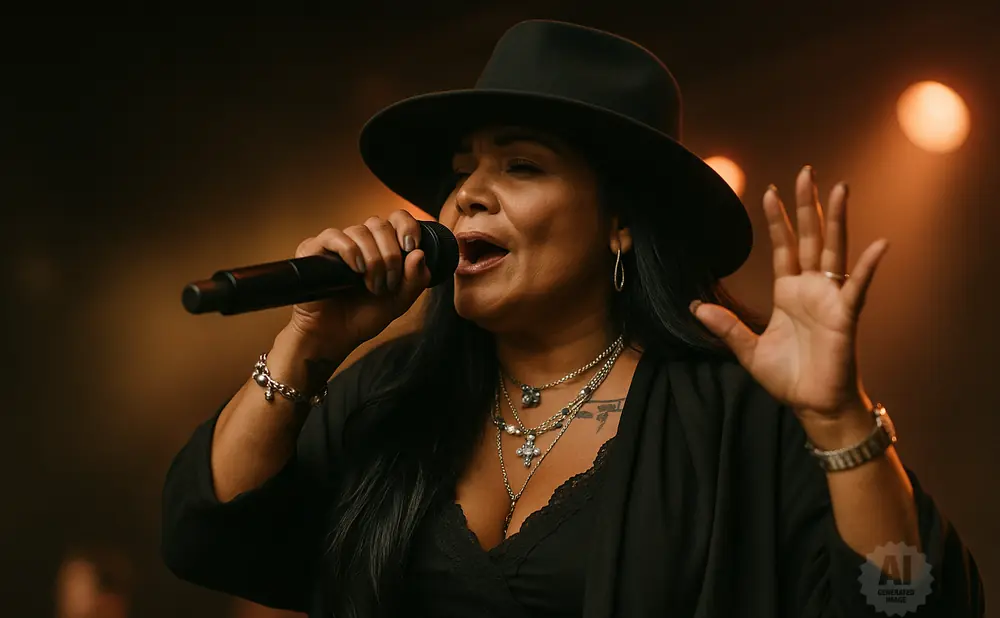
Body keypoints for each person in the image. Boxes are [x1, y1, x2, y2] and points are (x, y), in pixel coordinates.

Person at [160, 20, 984, 617]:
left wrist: (840, 419)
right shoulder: (390, 396)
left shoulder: (734, 412)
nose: (468, 194)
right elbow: (209, 533)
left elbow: (904, 600)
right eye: (461, 173)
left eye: (520, 165)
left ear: (620, 220)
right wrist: (307, 341)